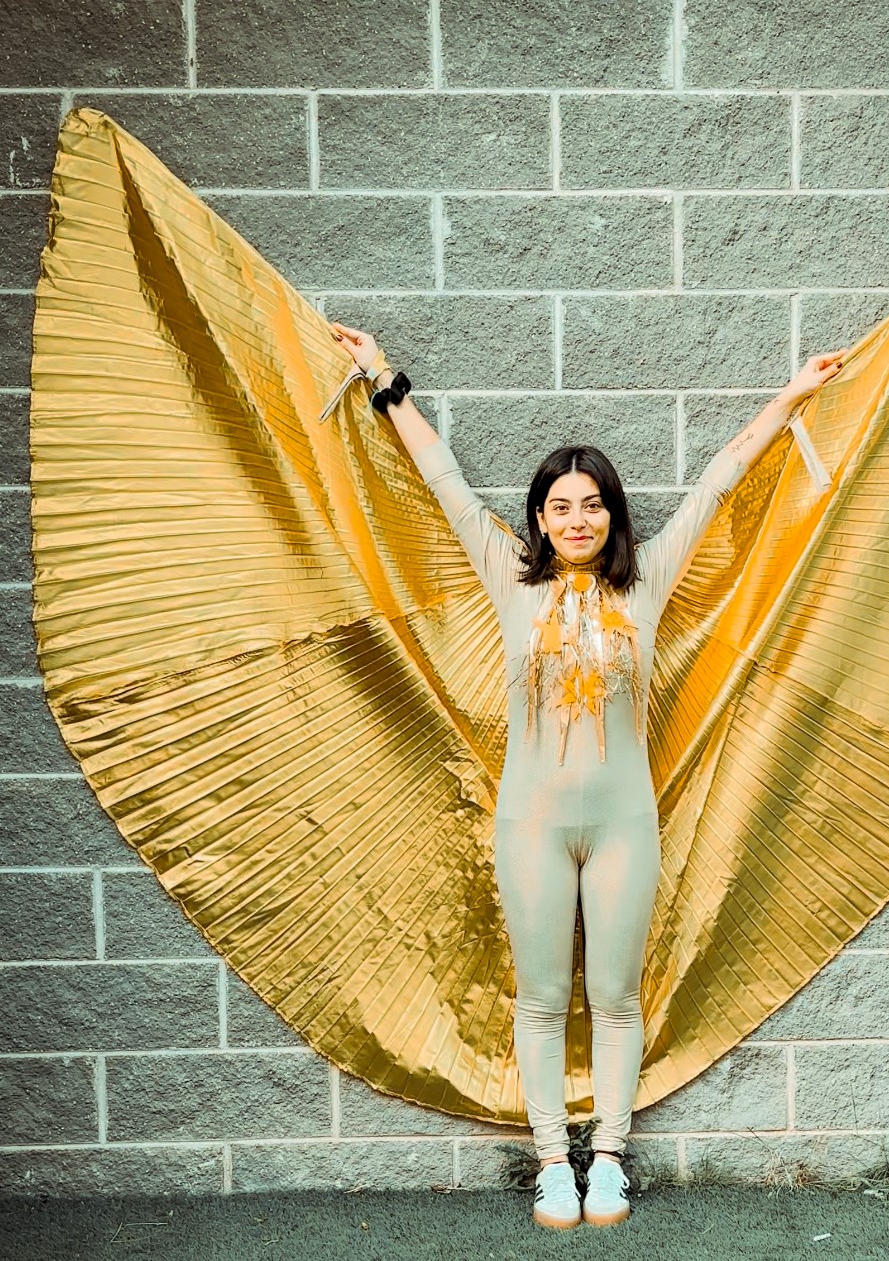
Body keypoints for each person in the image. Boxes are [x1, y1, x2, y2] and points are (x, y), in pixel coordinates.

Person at [329, 322, 844, 1228]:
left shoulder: (644, 585)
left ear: (612, 516)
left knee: (612, 998)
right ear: (536, 518)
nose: (576, 519)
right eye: (560, 506)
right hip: (529, 825)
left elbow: (720, 478)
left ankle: (606, 1158)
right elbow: (442, 479)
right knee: (539, 1000)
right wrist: (381, 376)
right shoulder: (510, 580)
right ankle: (548, 1165)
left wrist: (794, 395)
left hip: (622, 827)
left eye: (592, 505)